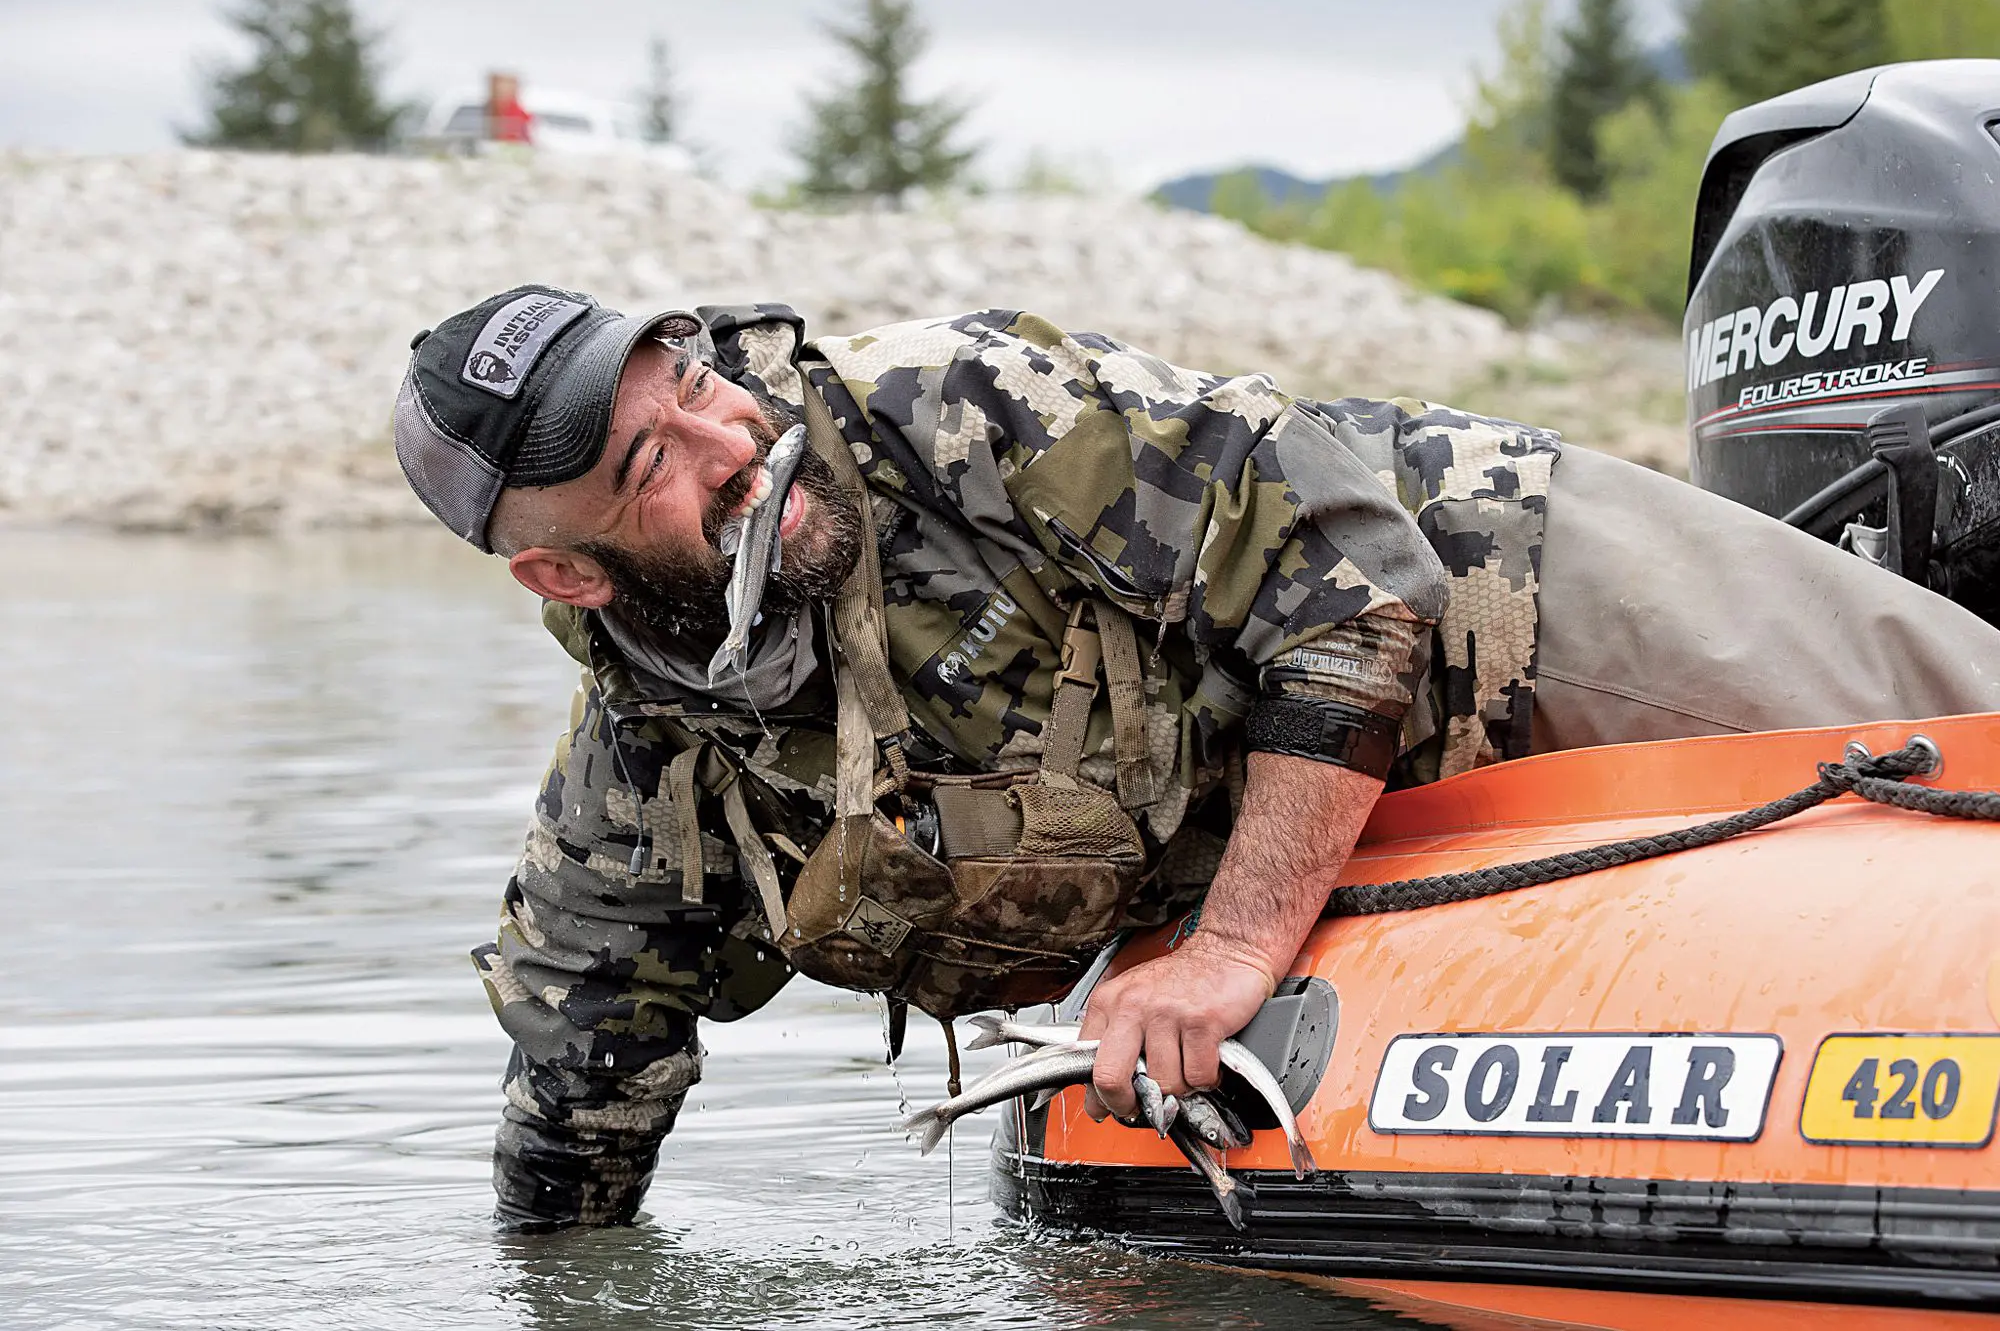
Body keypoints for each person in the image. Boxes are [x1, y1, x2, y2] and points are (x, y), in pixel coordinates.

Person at [393, 286, 2000, 1230]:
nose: (733, 444)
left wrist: (1234, 948)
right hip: (1320, 826)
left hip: (1492, 593)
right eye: (651, 462)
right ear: (569, 573)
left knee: (1968, 739)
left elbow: (1358, 603)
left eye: (697, 383)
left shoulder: (963, 413)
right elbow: (579, 1090)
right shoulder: (651, 782)